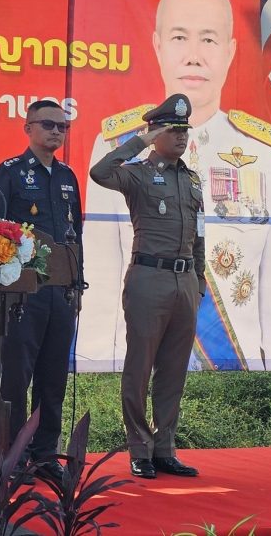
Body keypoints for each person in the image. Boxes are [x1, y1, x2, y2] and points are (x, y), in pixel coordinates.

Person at [81, 0, 271, 372]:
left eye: (209, 39)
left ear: (230, 51)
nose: (194, 56)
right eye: (180, 37)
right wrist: (96, 368)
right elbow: (100, 280)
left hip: (237, 371)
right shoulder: (116, 147)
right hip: (142, 355)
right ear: (158, 45)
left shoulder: (269, 154)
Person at [90, 93, 203, 480]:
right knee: (139, 368)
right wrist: (140, 140)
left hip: (185, 281)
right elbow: (100, 172)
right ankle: (140, 448)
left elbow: (199, 237)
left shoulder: (192, 179)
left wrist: (199, 282)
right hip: (148, 279)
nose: (181, 136)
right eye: (173, 130)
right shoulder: (138, 173)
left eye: (185, 130)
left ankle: (165, 449)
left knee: (174, 371)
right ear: (156, 132)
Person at [0, 99, 82, 479]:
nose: (56, 131)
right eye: (48, 124)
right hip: (24, 293)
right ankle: (14, 456)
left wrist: (76, 284)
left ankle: (45, 455)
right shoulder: (9, 173)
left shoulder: (67, 177)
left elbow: (75, 236)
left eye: (62, 126)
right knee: (16, 378)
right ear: (28, 128)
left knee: (53, 379)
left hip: (61, 292)